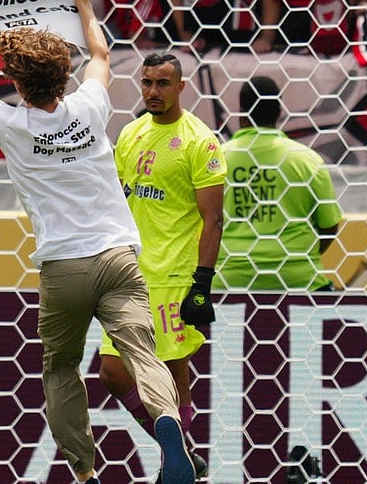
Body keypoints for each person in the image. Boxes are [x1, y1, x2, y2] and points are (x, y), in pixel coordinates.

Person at [0, 0, 196, 484]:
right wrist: (84, 1)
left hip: (64, 266)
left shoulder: (10, 124)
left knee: (62, 368)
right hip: (118, 257)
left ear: (16, 81)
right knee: (143, 351)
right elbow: (100, 55)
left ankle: (84, 470)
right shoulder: (90, 107)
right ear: (62, 74)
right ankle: (168, 425)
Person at [102, 51, 227, 482]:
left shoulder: (200, 141)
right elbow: (118, 201)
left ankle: (177, 465)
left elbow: (213, 218)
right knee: (112, 373)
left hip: (173, 276)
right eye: (147, 82)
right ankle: (182, 454)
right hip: (127, 274)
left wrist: (202, 283)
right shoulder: (131, 134)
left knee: (173, 376)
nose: (153, 91)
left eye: (162, 83)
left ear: (181, 87)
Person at [216, 75, 343, 292]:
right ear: (279, 113)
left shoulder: (218, 160)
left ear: (242, 115)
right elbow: (329, 225)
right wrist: (294, 257)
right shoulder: (308, 160)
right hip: (299, 280)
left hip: (229, 280)